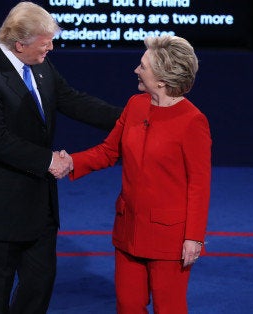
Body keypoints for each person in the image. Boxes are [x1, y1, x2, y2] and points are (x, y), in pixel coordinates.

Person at [0, 2, 122, 313]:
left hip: (37, 204)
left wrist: (129, 120)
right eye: (46, 44)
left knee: (39, 283)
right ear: (20, 44)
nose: (51, 48)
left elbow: (72, 100)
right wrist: (48, 160)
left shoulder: (39, 64)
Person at [62, 35, 211, 313]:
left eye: (142, 66)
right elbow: (108, 151)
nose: (135, 70)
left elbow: (199, 184)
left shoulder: (192, 121)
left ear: (163, 79)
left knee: (169, 308)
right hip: (128, 228)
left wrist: (194, 237)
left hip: (169, 237)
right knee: (128, 306)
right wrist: (71, 162)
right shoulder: (135, 105)